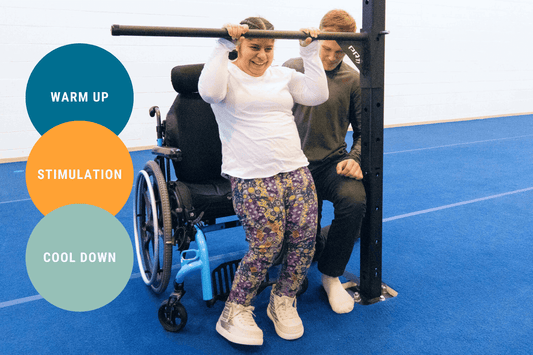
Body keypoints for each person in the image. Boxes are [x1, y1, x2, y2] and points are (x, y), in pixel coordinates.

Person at [198, 17, 328, 346]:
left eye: (268, 48)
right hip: (251, 175)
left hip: (295, 170)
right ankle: (235, 310)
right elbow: (208, 92)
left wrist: (310, 53)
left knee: (303, 241)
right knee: (266, 247)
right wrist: (222, 44)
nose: (262, 55)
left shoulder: (282, 75)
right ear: (240, 46)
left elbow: (316, 94)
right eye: (254, 47)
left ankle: (282, 299)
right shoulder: (224, 75)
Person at [283, 9, 366, 314]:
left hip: (333, 162)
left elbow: (363, 133)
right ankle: (297, 267)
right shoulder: (292, 68)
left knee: (355, 201)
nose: (331, 57)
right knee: (300, 234)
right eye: (326, 49)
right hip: (294, 166)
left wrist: (355, 158)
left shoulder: (354, 80)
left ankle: (331, 276)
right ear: (316, 38)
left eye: (339, 51)